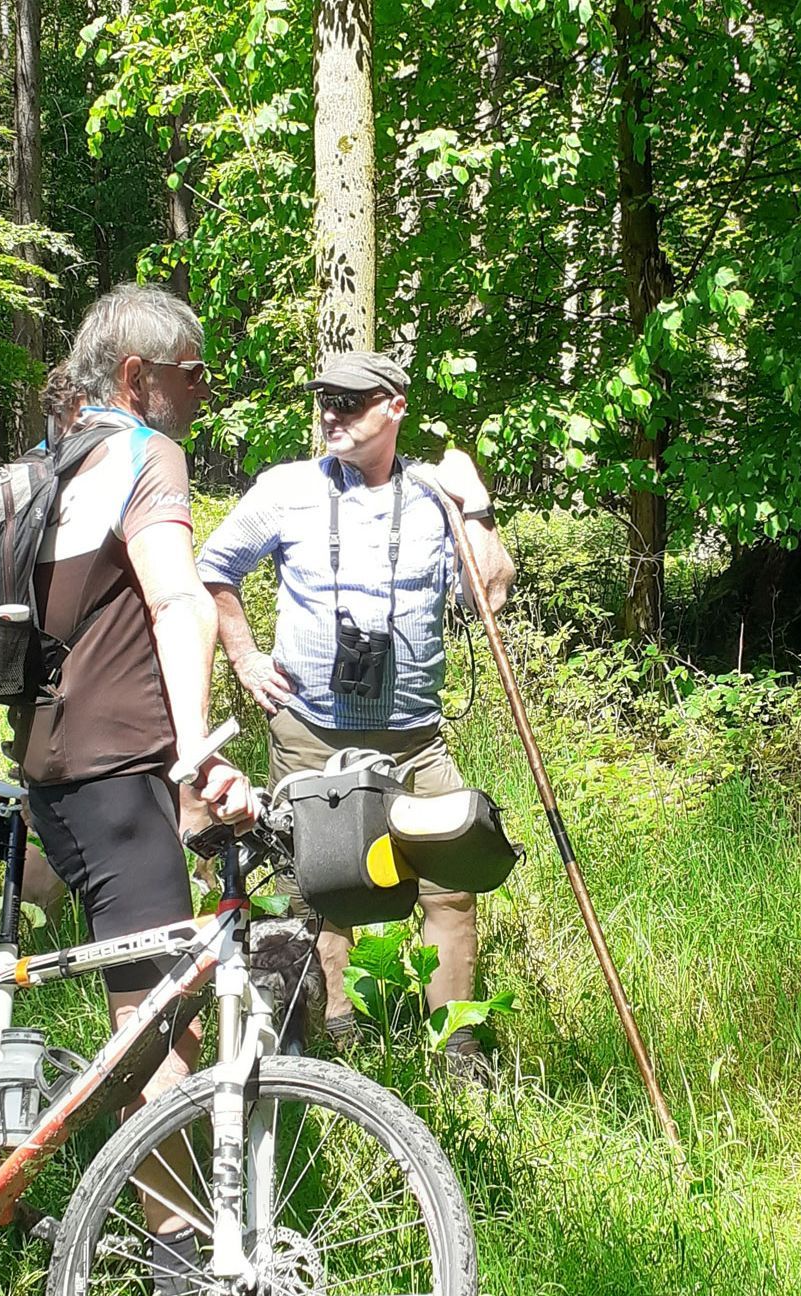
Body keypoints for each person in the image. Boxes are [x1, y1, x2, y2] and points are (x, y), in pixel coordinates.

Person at [14, 283, 255, 1282]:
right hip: (118, 768)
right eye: (191, 374)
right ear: (134, 377)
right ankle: (174, 1248)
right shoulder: (145, 455)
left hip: (46, 763)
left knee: (109, 983)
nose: (205, 392)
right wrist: (195, 752)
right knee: (164, 1018)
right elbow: (176, 602)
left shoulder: (46, 466)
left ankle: (9, 1135)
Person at [197, 350, 515, 1076]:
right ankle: (330, 1044)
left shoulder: (436, 497)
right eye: (325, 400)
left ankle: (458, 1048)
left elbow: (487, 596)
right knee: (318, 890)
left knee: (451, 886)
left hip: (416, 741)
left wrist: (476, 503)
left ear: (394, 406)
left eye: (350, 401)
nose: (332, 414)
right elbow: (214, 568)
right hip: (311, 732)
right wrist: (245, 658)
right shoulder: (287, 490)